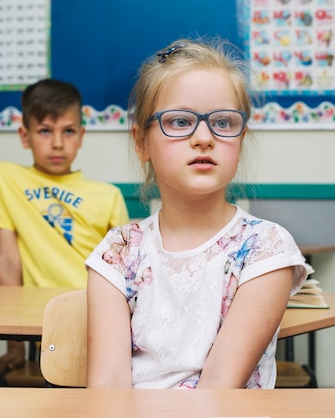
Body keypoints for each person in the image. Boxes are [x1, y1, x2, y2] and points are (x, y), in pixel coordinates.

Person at [85, 38, 308, 389]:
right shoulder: (119, 251)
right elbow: (107, 388)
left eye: (222, 122)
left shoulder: (265, 248)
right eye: (179, 121)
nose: (204, 137)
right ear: (141, 142)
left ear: (241, 137)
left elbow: (219, 387)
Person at [0, 78, 129, 381]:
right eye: (45, 131)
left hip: (92, 316)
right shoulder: (4, 178)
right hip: (36, 319)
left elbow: (123, 276)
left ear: (81, 136)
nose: (57, 143)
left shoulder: (108, 195)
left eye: (68, 131)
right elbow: (8, 262)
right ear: (25, 135)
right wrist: (15, 348)